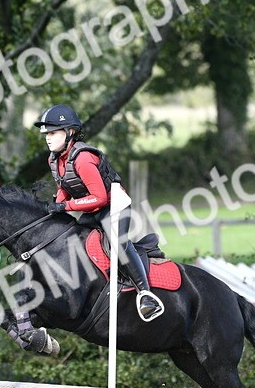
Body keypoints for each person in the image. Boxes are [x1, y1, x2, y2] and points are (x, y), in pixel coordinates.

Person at [33, 104, 165, 322]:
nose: (48, 138)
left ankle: (145, 294)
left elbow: (100, 197)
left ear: (70, 132)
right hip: (91, 208)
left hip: (113, 206)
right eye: (46, 133)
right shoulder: (54, 159)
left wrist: (66, 207)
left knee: (117, 243)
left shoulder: (83, 158)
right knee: (71, 238)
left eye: (53, 132)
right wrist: (55, 206)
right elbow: (64, 186)